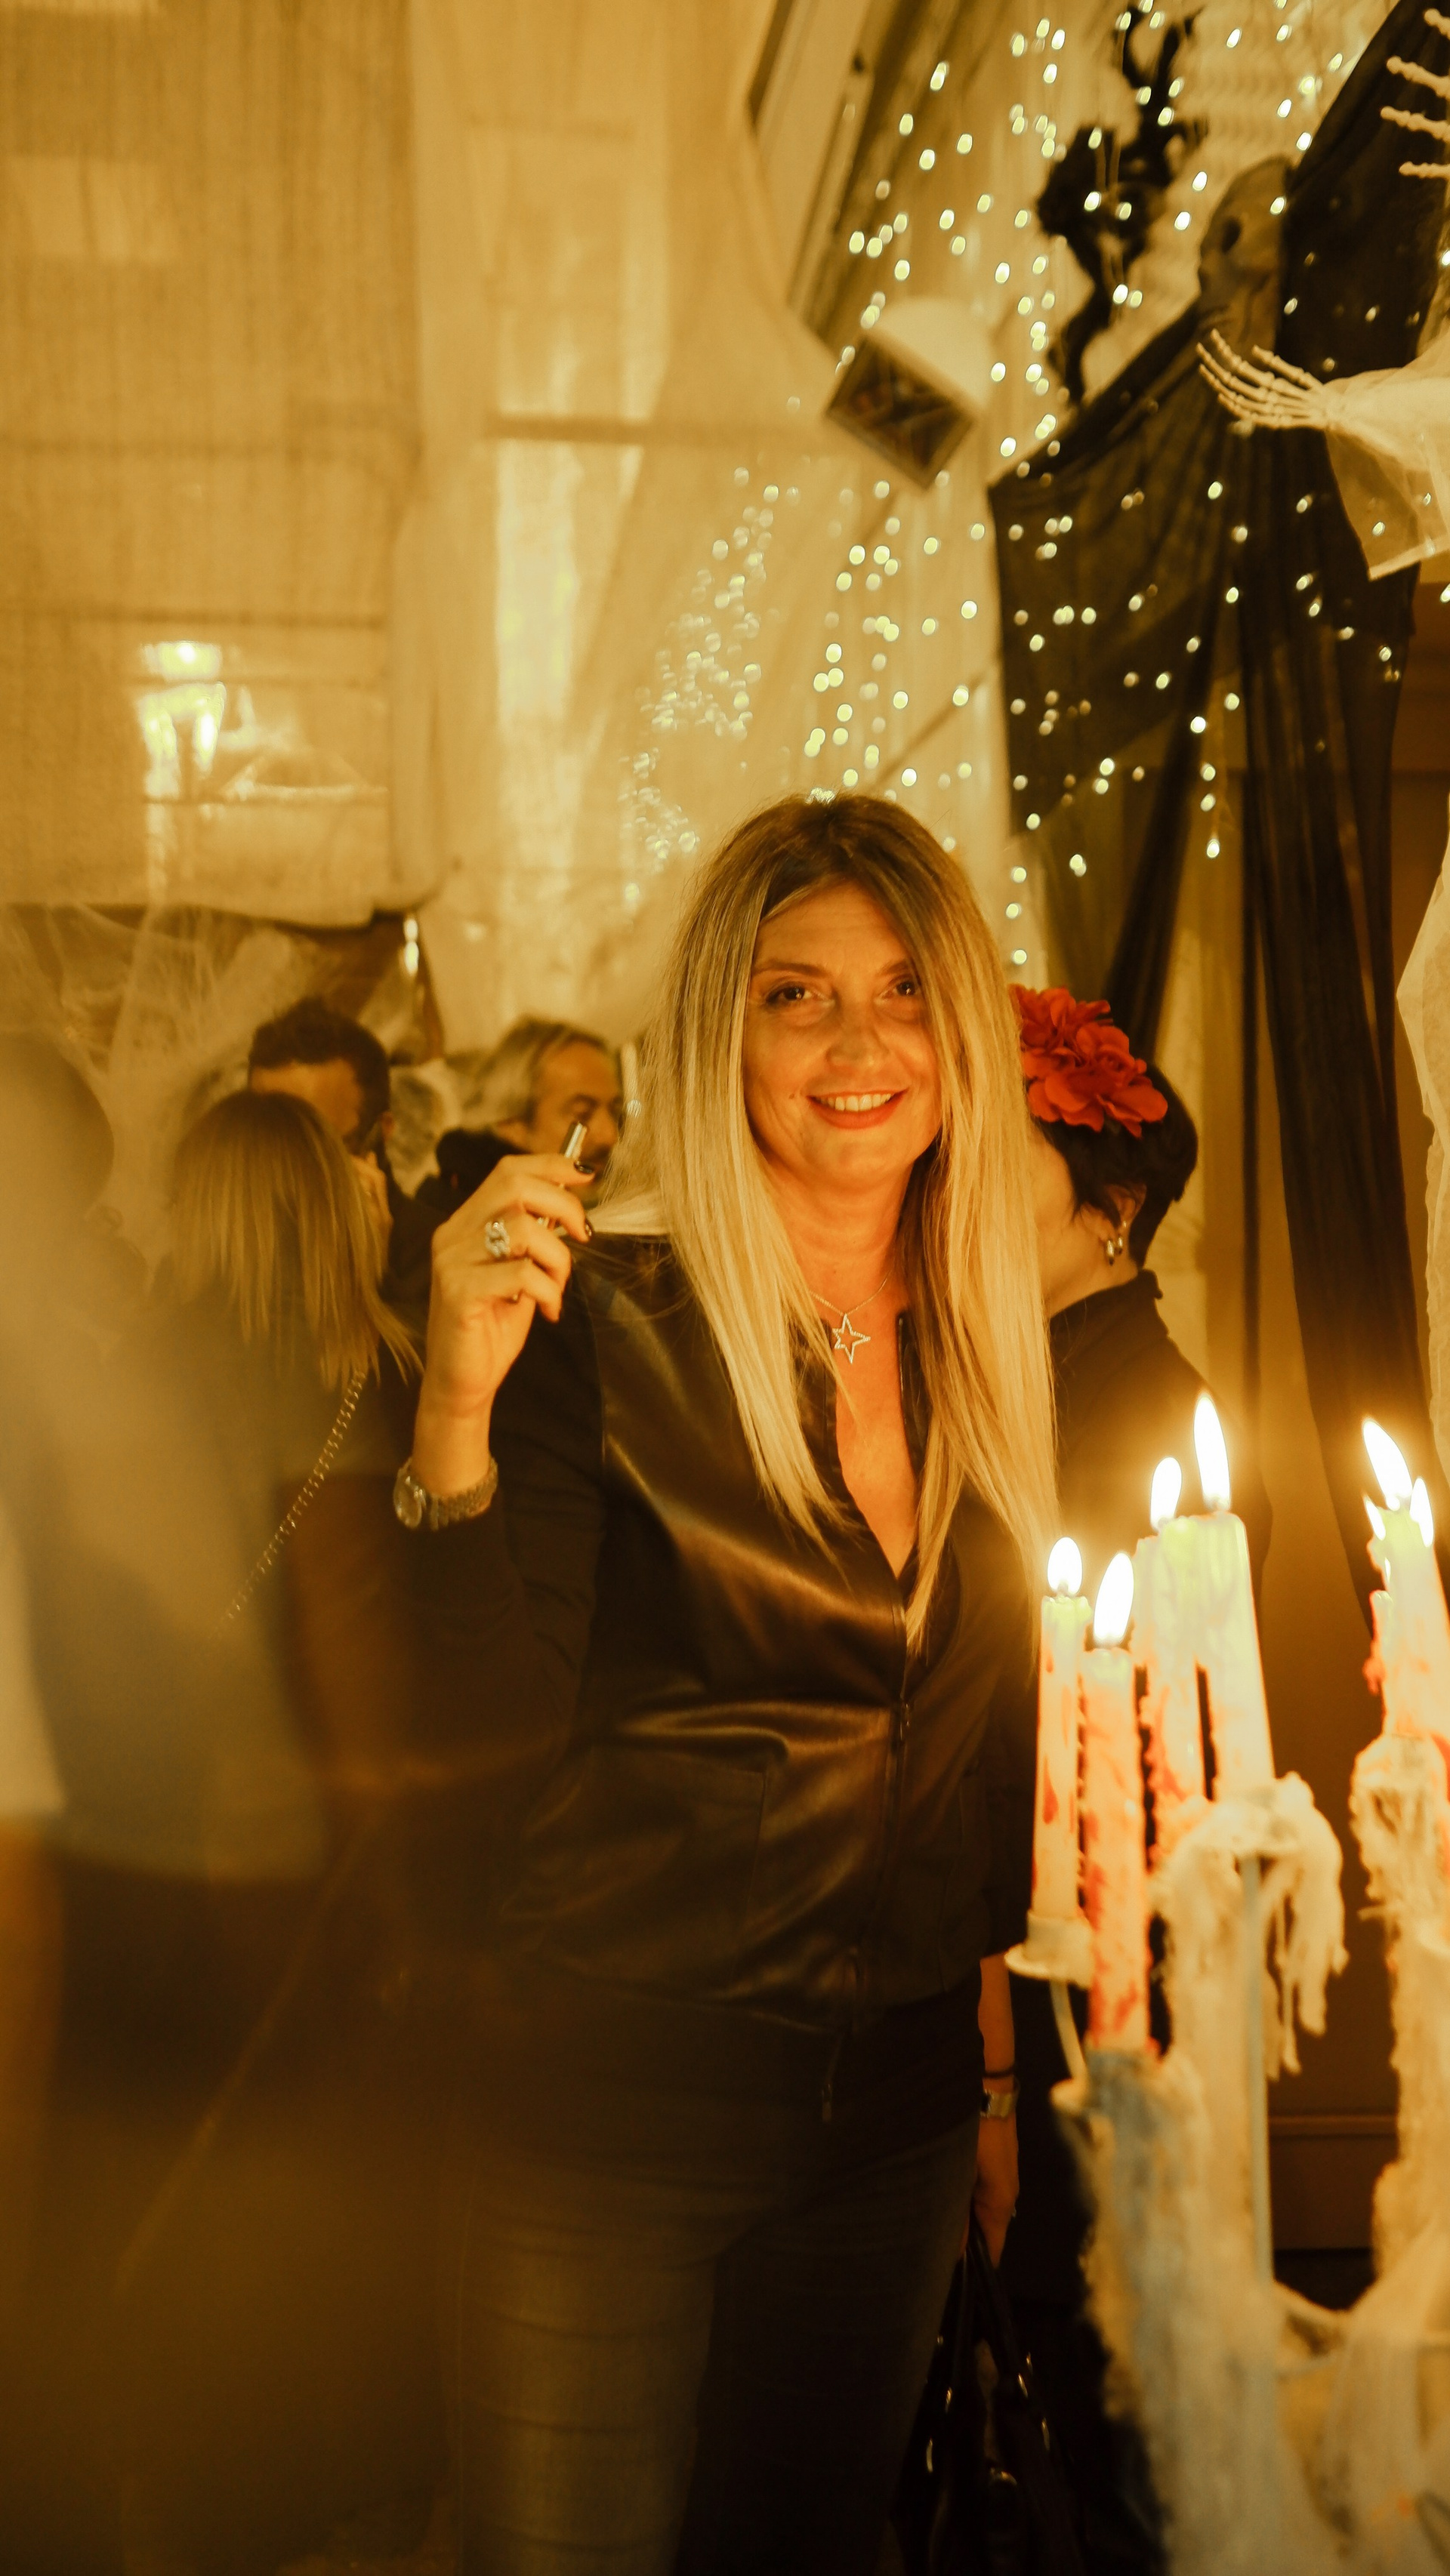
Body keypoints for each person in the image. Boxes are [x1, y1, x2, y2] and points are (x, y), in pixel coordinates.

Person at [397, 791, 1057, 2576]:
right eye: (796, 995)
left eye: (906, 990)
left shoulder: (990, 1335)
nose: (861, 1043)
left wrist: (991, 2080)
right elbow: (473, 1738)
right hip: (604, 2105)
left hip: (898, 2122)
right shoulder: (601, 1323)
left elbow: (975, 1754)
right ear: (720, 1030)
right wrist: (452, 1411)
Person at [1001, 984, 1272, 2576]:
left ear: (1110, 1208)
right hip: (1037, 1905)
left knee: (1086, 2286)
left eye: (1004, 1166)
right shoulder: (1040, 1364)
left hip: (1096, 1921)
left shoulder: (1143, 1404)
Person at [248, 997, 438, 1324]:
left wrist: (370, 1283)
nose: (286, 1165)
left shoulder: (436, 1257)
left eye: (317, 1144)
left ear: (380, 1132)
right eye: (268, 1139)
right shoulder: (225, 1241)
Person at [421, 1014, 622, 1213]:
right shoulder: (450, 1221)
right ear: (512, 1124)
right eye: (582, 1114)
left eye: (615, 1112)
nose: (610, 1136)